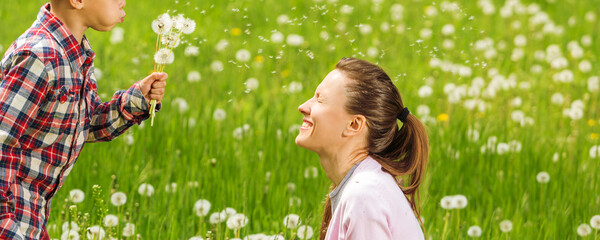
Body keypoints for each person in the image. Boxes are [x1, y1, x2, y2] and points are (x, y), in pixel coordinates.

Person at [0, 0, 167, 239]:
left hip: (31, 218)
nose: (123, 1)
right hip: (10, 222)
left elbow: (82, 125)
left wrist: (138, 98)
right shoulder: (39, 57)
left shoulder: (75, 53)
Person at [295, 58, 428, 239]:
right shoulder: (364, 185)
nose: (302, 107)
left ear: (354, 124)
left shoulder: (364, 194)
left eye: (320, 99)